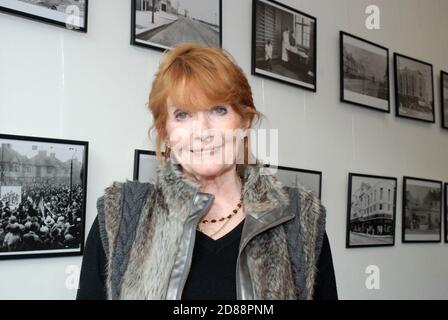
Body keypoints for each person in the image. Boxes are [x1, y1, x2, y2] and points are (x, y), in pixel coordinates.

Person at [76, 43, 337, 300]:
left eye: (219, 110)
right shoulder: (120, 217)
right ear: (165, 133)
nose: (202, 132)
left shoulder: (299, 220)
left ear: (244, 122)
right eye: (182, 115)